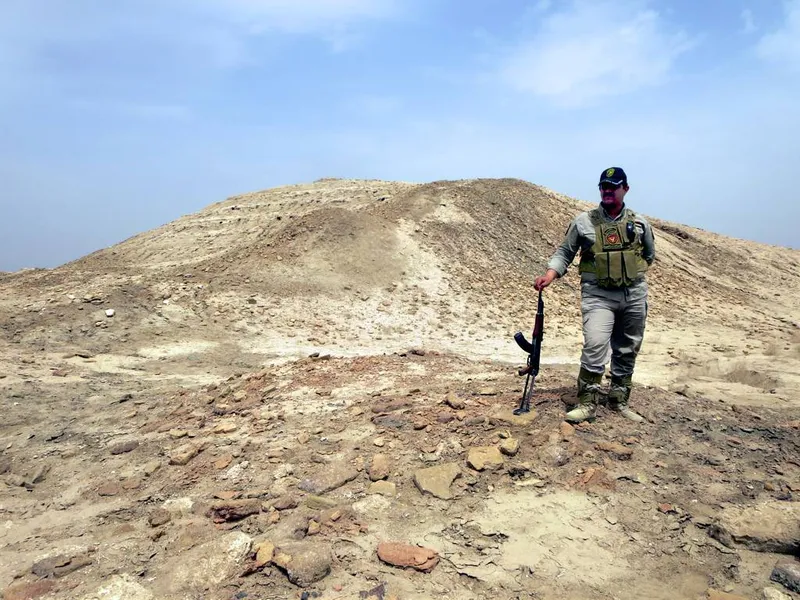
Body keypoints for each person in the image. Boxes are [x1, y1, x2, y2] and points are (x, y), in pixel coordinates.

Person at [534, 167, 656, 424]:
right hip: (598, 295)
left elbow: (648, 255)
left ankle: (619, 400)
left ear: (626, 188)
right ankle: (587, 402)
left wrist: (627, 272)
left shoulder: (640, 223)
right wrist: (550, 274)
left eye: (613, 186)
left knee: (627, 347)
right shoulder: (584, 222)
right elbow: (565, 253)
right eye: (603, 186)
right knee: (595, 344)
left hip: (633, 293)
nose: (607, 190)